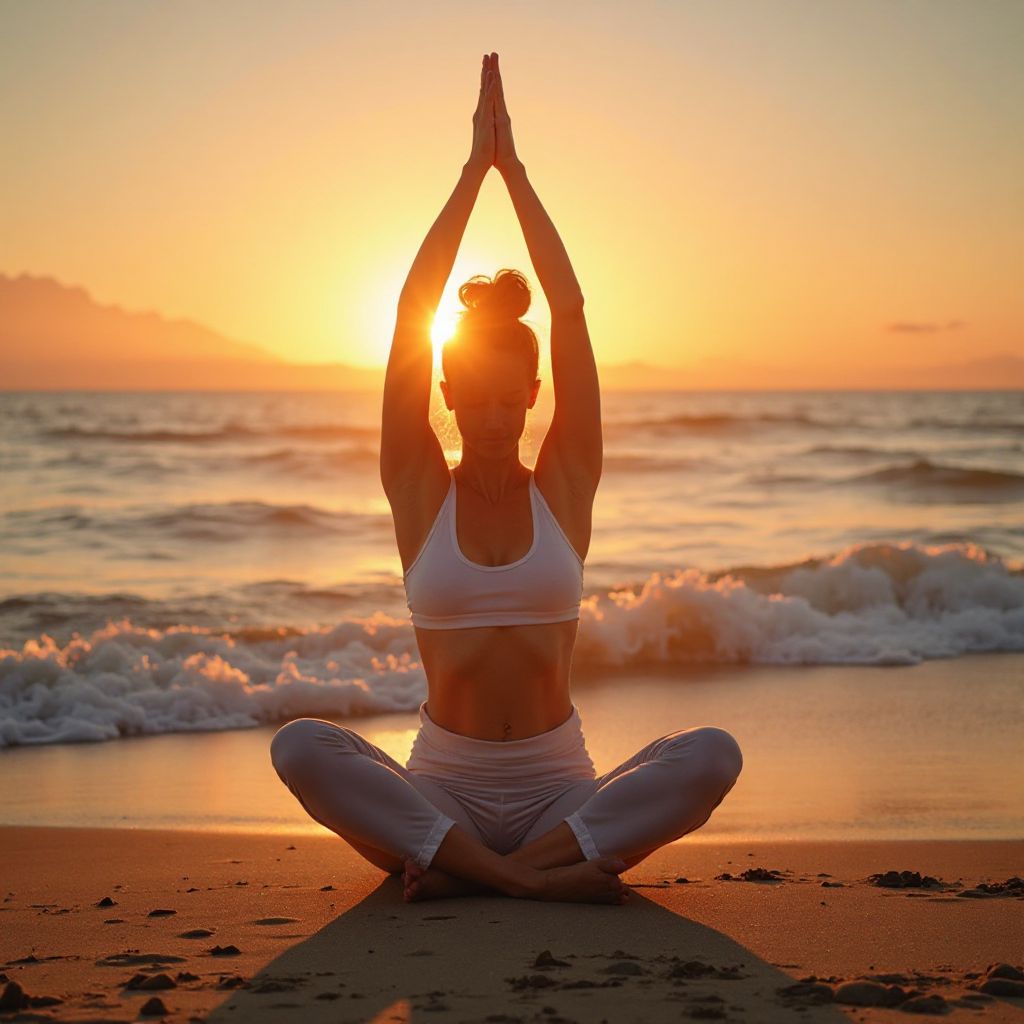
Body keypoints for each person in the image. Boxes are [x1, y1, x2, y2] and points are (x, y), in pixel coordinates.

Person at [270, 52, 743, 905]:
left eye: (508, 401)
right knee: (298, 747)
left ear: (532, 396)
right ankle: (529, 880)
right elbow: (412, 303)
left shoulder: (565, 485)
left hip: (561, 792)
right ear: (448, 394)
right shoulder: (418, 487)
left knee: (714, 754)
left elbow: (569, 310)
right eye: (473, 400)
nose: (492, 418)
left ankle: (475, 875)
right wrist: (467, 177)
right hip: (439, 790)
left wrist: (514, 173)